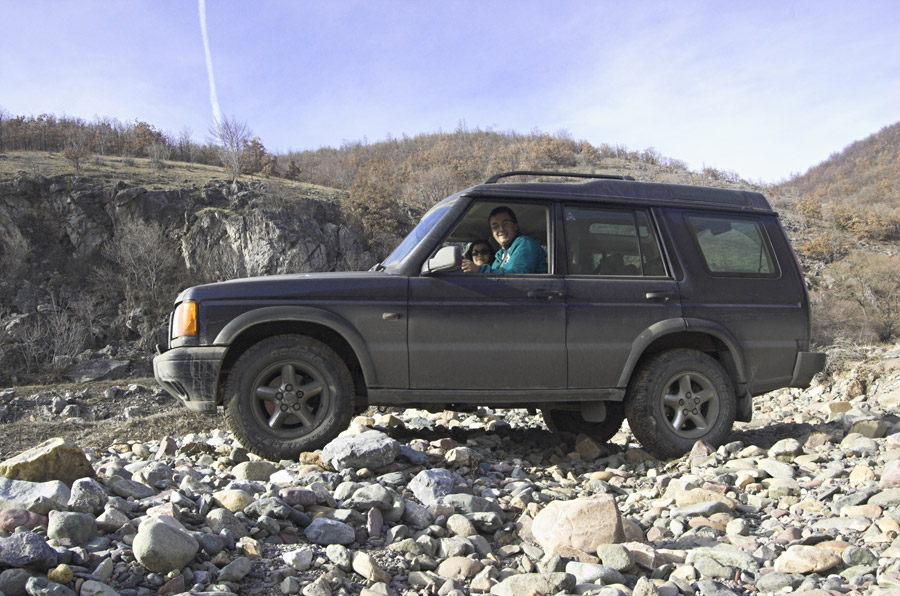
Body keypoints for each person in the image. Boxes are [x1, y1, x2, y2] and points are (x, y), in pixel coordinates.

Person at [461, 206, 547, 274]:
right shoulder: (500, 255)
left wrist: (480, 270)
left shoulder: (525, 243)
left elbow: (519, 277)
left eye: (505, 223)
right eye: (495, 226)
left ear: (515, 226)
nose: (501, 229)